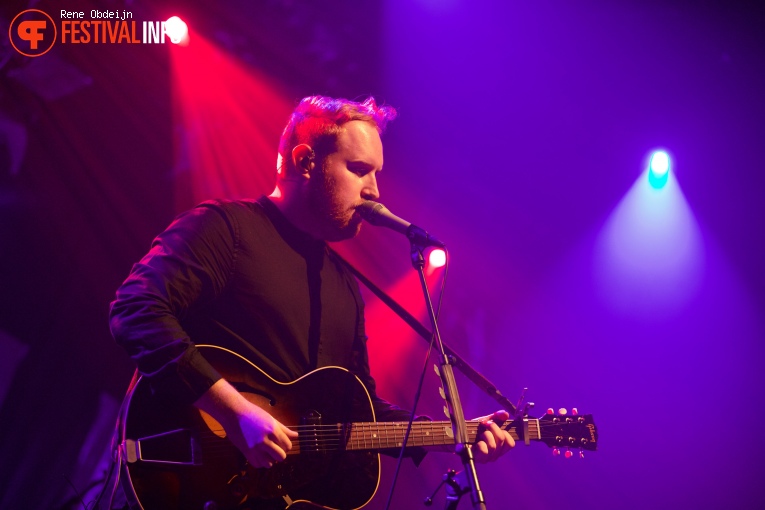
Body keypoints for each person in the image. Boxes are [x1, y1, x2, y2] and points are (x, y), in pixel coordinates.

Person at [109, 96, 513, 504]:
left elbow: (358, 406)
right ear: (305, 163)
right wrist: (233, 411)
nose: (374, 190)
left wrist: (459, 432)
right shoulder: (226, 229)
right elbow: (136, 309)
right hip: (181, 475)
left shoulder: (346, 285)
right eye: (358, 170)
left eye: (376, 173)